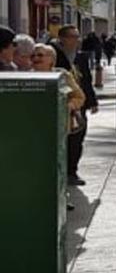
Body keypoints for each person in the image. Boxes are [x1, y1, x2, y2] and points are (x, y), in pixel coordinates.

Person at [32, 43, 84, 211]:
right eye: (34, 56)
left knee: (58, 167)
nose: (36, 59)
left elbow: (78, 96)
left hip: (58, 129)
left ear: (51, 60)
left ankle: (62, 198)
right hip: (34, 130)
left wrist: (68, 105)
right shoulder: (26, 76)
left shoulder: (62, 75)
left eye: (41, 55)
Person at [52, 25, 97, 186]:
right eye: (72, 36)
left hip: (79, 104)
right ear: (62, 38)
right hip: (62, 103)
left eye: (77, 36)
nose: (76, 40)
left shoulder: (81, 57)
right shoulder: (53, 55)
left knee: (78, 138)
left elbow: (86, 81)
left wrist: (92, 101)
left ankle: (72, 171)